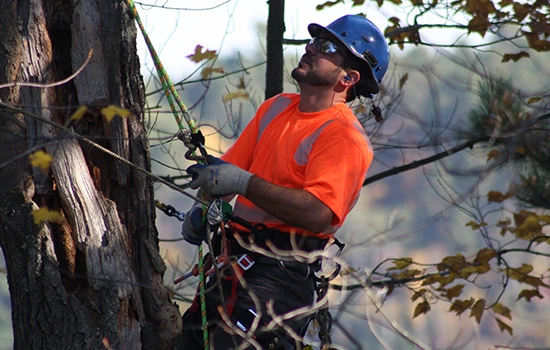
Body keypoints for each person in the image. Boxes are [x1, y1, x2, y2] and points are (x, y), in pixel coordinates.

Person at [179, 14, 390, 349]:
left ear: (349, 77)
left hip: (279, 280)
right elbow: (224, 173)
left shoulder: (343, 136)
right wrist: (202, 206)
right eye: (314, 41)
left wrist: (243, 183)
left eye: (326, 47)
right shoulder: (277, 108)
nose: (310, 48)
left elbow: (318, 212)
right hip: (234, 262)